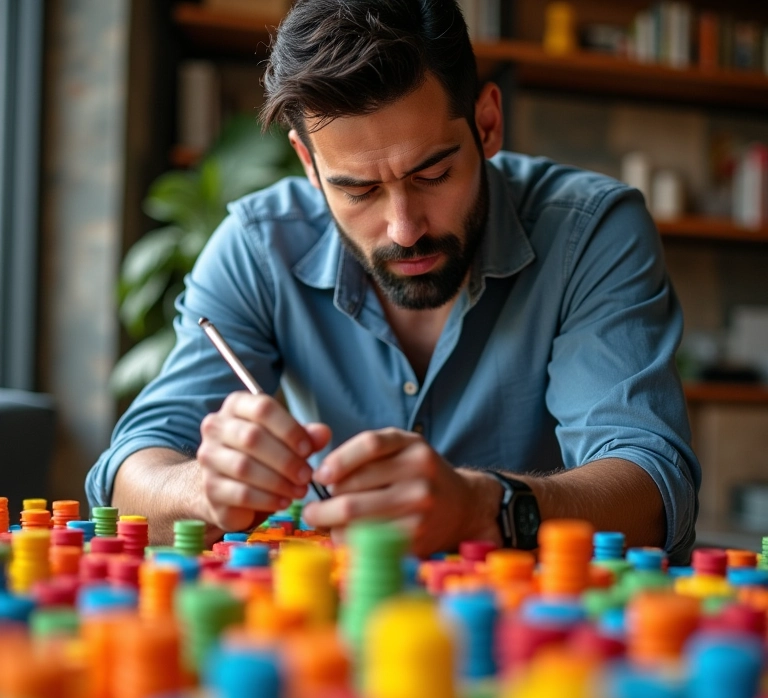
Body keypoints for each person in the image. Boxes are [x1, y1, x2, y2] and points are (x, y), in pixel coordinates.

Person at [86, 0, 700, 563]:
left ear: (486, 123)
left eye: (433, 173)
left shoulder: (590, 233)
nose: (403, 229)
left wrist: (487, 508)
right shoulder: (256, 246)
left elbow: (652, 485)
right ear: (309, 163)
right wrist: (201, 485)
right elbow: (127, 475)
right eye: (357, 189)